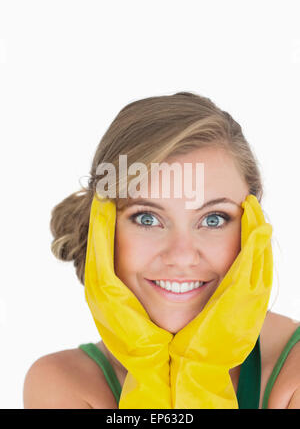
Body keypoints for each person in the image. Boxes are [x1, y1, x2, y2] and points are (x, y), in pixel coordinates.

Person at [23, 92, 300, 409]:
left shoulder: (293, 373)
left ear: (251, 228)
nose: (181, 255)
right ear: (104, 229)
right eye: (147, 218)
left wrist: (203, 367)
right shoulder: (63, 383)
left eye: (213, 219)